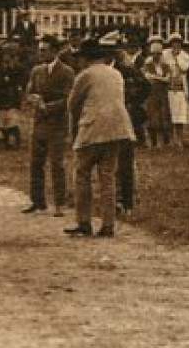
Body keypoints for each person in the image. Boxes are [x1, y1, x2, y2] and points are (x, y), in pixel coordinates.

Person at [64, 34, 136, 238]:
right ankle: (108, 224)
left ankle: (84, 222)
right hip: (118, 129)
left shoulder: (85, 75)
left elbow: (71, 104)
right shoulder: (116, 74)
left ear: (85, 58)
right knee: (108, 177)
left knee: (82, 174)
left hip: (93, 127)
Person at [22, 36, 75, 216]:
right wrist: (32, 99)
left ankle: (59, 203)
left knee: (56, 164)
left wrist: (48, 107)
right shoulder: (37, 71)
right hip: (39, 124)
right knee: (36, 163)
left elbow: (68, 99)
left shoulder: (67, 72)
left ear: (54, 51)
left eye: (44, 49)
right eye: (40, 49)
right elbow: (29, 92)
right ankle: (37, 201)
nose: (41, 53)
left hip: (57, 124)